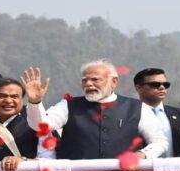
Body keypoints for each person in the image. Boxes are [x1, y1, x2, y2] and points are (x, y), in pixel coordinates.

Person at [22, 59, 168, 159]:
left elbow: (159, 142)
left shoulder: (137, 108)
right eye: (85, 80)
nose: (89, 84)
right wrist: (35, 101)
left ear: (114, 81)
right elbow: (40, 126)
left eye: (95, 80)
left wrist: (142, 155)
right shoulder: (69, 105)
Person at [133, 68, 180, 157]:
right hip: (142, 168)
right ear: (139, 88)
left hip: (177, 169)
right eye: (155, 84)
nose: (162, 87)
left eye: (166, 84)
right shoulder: (128, 116)